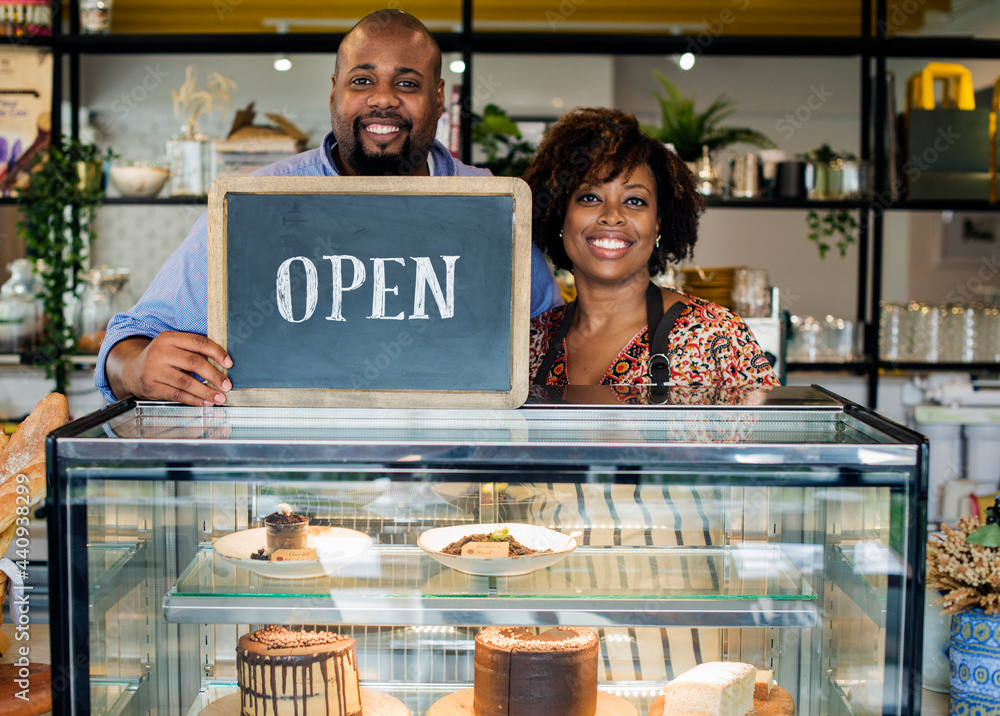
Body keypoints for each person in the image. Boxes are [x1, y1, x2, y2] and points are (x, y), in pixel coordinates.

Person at [96, 9, 561, 407]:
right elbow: (129, 340)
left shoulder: (495, 209)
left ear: (438, 97)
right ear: (334, 90)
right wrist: (137, 368)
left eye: (406, 82)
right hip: (291, 493)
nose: (383, 98)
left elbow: (552, 342)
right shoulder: (257, 203)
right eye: (363, 81)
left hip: (455, 484)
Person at [523, 107, 778, 388]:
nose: (612, 215)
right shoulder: (530, 342)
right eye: (590, 197)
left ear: (657, 224)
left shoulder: (716, 337)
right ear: (561, 215)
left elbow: (776, 432)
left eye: (634, 201)